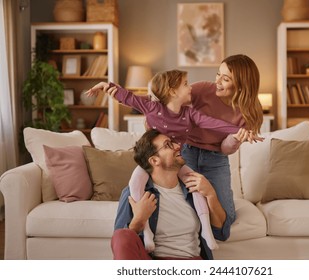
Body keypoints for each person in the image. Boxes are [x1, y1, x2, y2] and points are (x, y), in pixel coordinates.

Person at [86, 69, 257, 252]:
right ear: (173, 91)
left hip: (176, 160)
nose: (190, 87)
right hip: (152, 160)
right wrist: (106, 86)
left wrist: (239, 130)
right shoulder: (153, 107)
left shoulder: (189, 114)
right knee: (134, 184)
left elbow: (212, 123)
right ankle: (147, 231)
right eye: (185, 84)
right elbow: (128, 97)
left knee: (196, 188)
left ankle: (207, 230)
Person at [111, 129, 229, 260]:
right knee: (121, 236)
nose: (178, 146)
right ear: (154, 160)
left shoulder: (195, 189)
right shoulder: (135, 194)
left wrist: (211, 194)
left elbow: (222, 233)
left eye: (174, 142)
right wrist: (139, 219)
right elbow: (122, 243)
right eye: (168, 145)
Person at [181, 54, 263, 234]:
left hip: (216, 159)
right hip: (186, 151)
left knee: (226, 219)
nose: (217, 81)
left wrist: (235, 138)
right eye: (218, 74)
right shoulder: (202, 89)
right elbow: (174, 105)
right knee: (184, 208)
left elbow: (225, 149)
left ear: (242, 85)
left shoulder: (249, 112)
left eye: (225, 79)